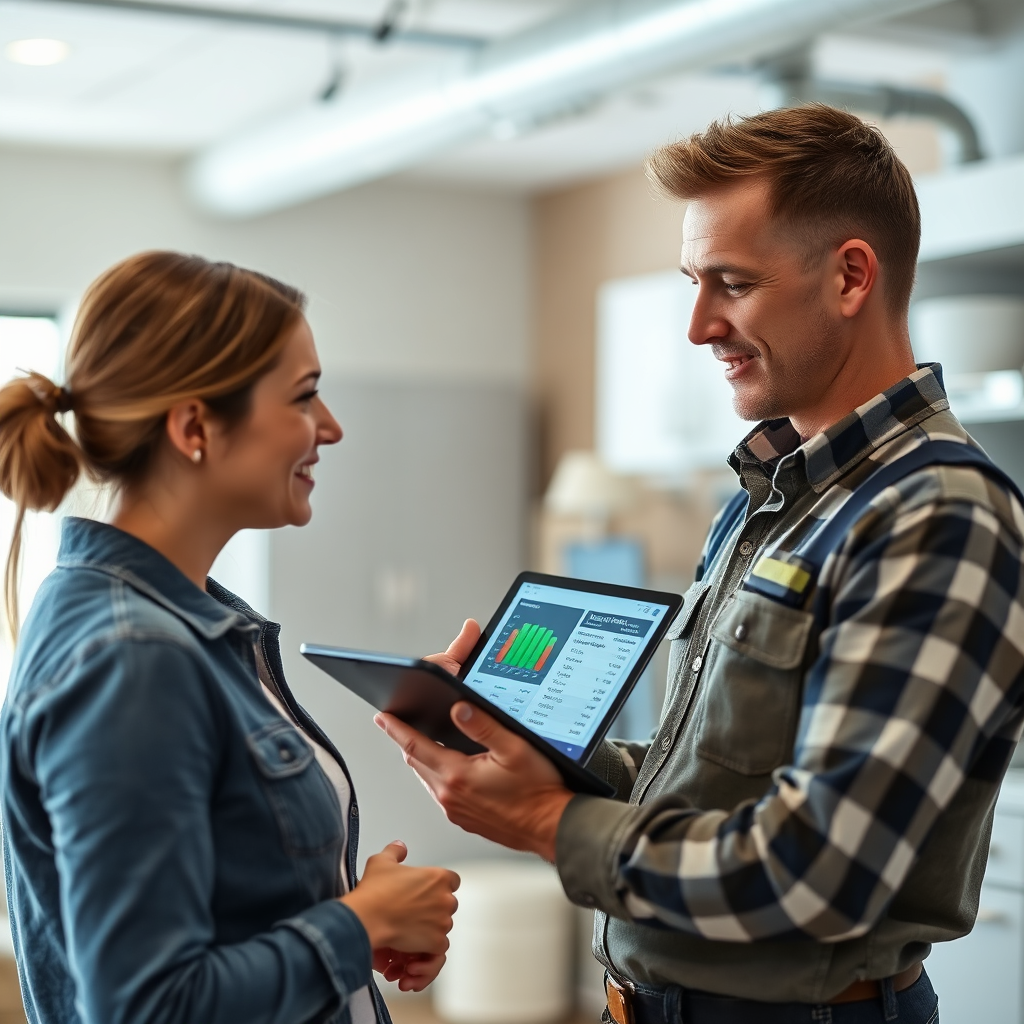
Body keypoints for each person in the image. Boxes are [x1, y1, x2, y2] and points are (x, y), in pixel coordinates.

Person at [378, 105, 1024, 1024]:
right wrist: (540, 755)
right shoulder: (766, 504)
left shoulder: (938, 514)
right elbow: (705, 779)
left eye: (732, 282)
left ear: (850, 277)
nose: (697, 325)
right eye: (693, 281)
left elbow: (820, 871)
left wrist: (543, 822)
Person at [0, 251, 460, 1024]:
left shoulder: (181, 620)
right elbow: (147, 1007)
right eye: (305, 396)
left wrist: (343, 911)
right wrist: (361, 923)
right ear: (194, 427)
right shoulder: (133, 657)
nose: (332, 427)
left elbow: (214, 909)